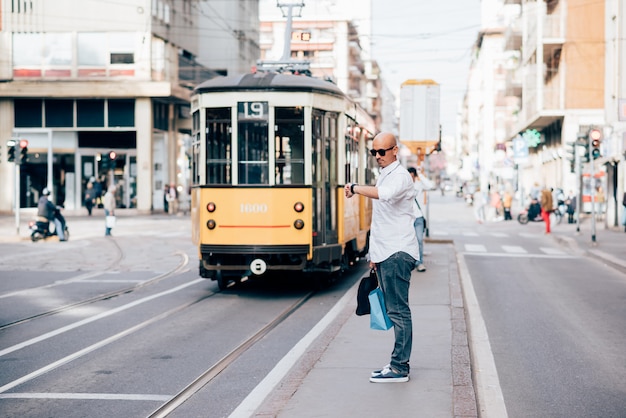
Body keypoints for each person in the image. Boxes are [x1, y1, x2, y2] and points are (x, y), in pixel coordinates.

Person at [345, 132, 419, 383]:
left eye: (382, 152)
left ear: (395, 150)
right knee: (394, 309)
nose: (377, 156)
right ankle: (397, 362)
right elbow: (383, 222)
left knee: (399, 311)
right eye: (373, 152)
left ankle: (400, 367)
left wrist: (354, 188)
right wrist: (374, 256)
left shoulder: (399, 176)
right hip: (388, 252)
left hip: (398, 252)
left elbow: (384, 195)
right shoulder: (386, 174)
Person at [407, 166, 435, 272]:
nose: (410, 179)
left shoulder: (418, 185)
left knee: (419, 240)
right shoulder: (403, 186)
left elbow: (430, 185)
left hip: (418, 218)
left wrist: (420, 175)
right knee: (408, 242)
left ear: (415, 177)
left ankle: (419, 263)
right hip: (407, 218)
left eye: (412, 177)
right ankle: (409, 262)